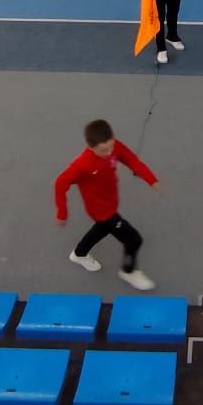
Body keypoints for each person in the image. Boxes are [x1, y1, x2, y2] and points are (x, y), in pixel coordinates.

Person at [55, 117, 159, 291]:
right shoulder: (82, 165)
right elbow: (60, 183)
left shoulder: (113, 146)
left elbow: (131, 160)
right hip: (101, 210)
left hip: (110, 202)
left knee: (102, 229)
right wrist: (62, 212)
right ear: (91, 147)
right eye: (103, 150)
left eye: (110, 146)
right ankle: (128, 270)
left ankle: (79, 253)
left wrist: (151, 179)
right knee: (134, 240)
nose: (110, 152)